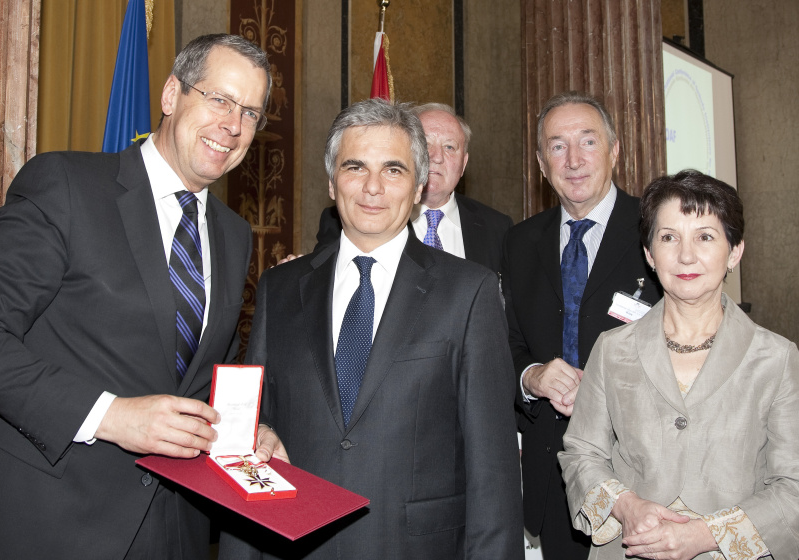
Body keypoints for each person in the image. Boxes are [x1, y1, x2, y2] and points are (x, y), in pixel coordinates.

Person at [0, 34, 270, 559]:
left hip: (176, 531)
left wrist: (251, 428)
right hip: (56, 524)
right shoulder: (66, 185)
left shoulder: (234, 235)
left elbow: (199, 368)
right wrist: (111, 416)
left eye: (251, 113)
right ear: (171, 95)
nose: (233, 126)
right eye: (218, 99)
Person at [218, 98, 524, 559]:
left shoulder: (469, 292)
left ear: (419, 186)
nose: (373, 187)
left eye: (394, 170)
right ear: (331, 181)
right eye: (355, 166)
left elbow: (493, 471)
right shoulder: (280, 288)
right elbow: (249, 431)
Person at [559, 169, 799, 559]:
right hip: (630, 548)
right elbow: (581, 454)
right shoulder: (612, 350)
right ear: (650, 254)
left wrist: (707, 535)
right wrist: (626, 507)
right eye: (669, 237)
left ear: (734, 251)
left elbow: (793, 486)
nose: (686, 255)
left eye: (705, 236)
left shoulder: (776, 358)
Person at [501, 91, 660, 559]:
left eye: (587, 142)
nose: (573, 159)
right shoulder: (519, 241)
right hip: (553, 479)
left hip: (642, 474)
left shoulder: (656, 229)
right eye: (557, 146)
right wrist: (532, 376)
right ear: (540, 162)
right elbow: (505, 343)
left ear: (615, 150)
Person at [312, 102, 513, 274]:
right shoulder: (355, 216)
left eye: (449, 147)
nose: (436, 157)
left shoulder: (497, 228)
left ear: (464, 163)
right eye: (426, 144)